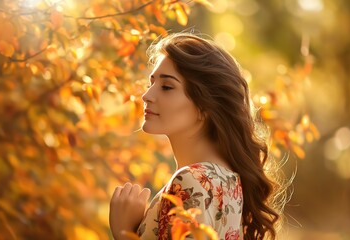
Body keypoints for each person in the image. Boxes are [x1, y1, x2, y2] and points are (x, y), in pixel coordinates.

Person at [109, 32, 282, 240]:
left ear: (204, 106)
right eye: (151, 83)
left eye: (166, 87)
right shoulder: (229, 182)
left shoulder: (191, 180)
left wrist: (124, 233)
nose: (147, 96)